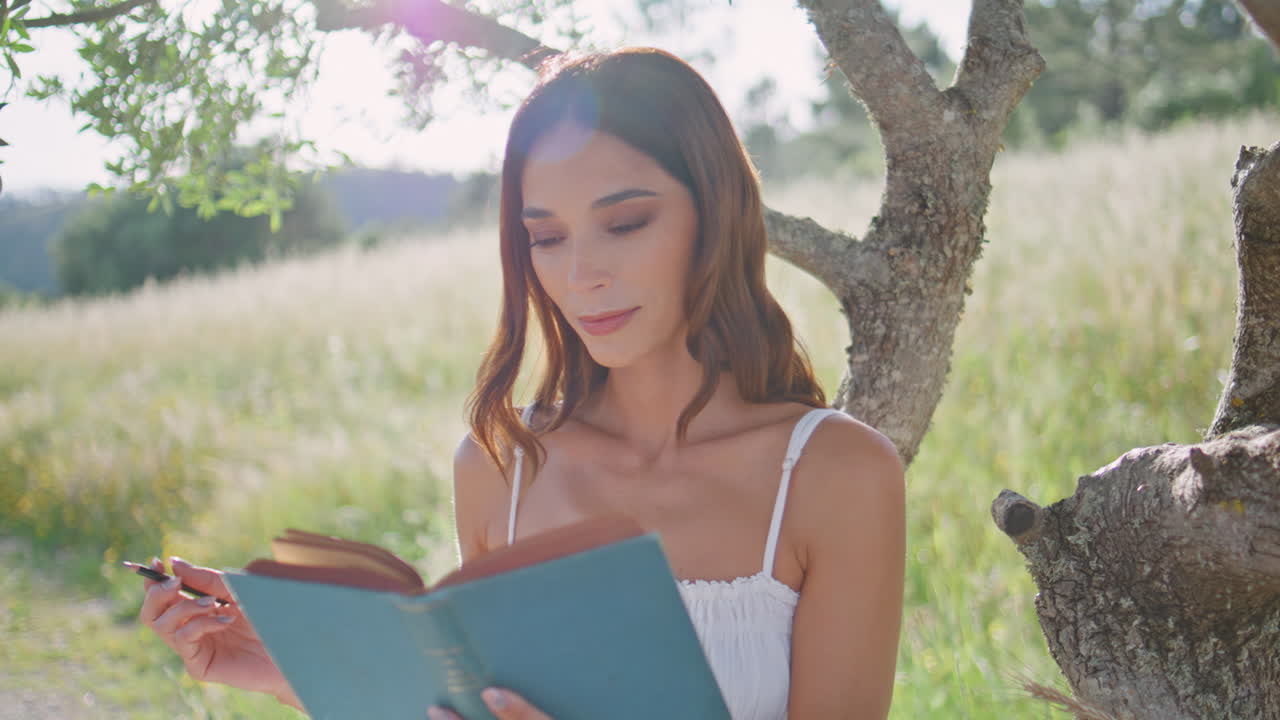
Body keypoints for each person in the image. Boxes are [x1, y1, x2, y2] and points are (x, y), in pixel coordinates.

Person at [139, 47, 905, 720]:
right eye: (546, 237)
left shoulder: (835, 476)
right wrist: (293, 674)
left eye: (627, 222)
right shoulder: (500, 469)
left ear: (717, 214)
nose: (581, 276)